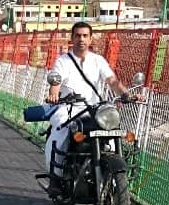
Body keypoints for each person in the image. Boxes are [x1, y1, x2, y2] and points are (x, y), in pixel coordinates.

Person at [44, 21, 132, 195]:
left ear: (91, 38)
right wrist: (54, 94)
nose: (81, 39)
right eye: (77, 35)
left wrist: (125, 94)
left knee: (113, 133)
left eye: (85, 36)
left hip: (94, 109)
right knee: (61, 131)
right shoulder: (63, 61)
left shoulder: (98, 60)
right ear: (72, 38)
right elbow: (56, 81)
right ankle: (55, 176)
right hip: (69, 106)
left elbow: (112, 81)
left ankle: (119, 192)